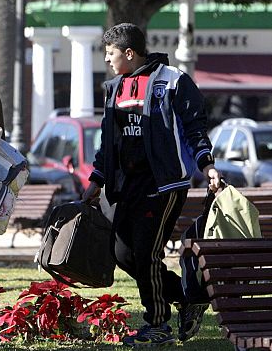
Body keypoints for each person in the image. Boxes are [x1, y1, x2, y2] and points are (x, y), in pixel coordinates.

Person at [81, 23, 221, 347]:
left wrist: (207, 165)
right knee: (123, 253)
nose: (106, 59)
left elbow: (194, 128)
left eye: (110, 52)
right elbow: (108, 141)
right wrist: (97, 180)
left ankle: (157, 323)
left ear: (129, 53)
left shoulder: (174, 81)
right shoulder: (114, 87)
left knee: (146, 252)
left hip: (164, 185)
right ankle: (187, 296)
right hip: (127, 186)